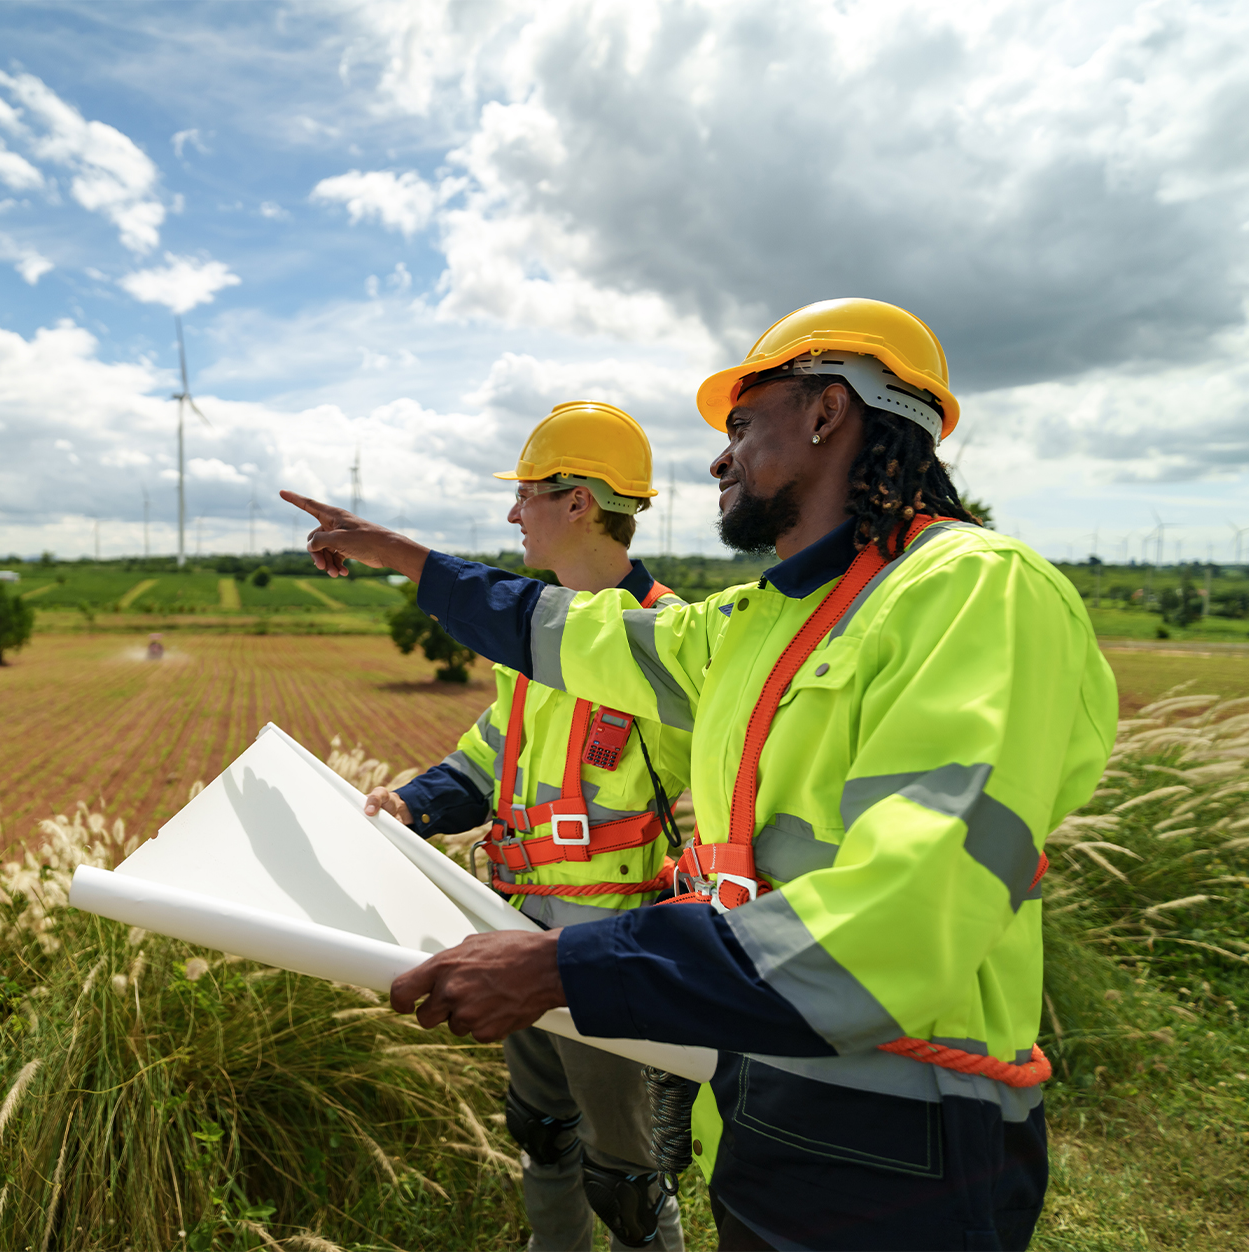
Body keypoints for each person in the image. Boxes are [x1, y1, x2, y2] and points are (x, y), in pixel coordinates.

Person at [282, 298, 1118, 1252]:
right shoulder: (756, 625)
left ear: (826, 413)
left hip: (902, 1128)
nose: (719, 460)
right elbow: (556, 629)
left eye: (741, 424)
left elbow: (903, 916)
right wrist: (394, 553)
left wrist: (561, 964)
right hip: (762, 1090)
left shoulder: (975, 592)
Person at [348, 402, 690, 1252]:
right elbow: (485, 761)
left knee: (629, 1179)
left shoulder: (670, 640)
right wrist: (413, 804)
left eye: (529, 494)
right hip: (516, 927)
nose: (512, 514)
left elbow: (739, 797)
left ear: (578, 501)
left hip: (609, 947)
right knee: (542, 1136)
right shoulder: (535, 642)